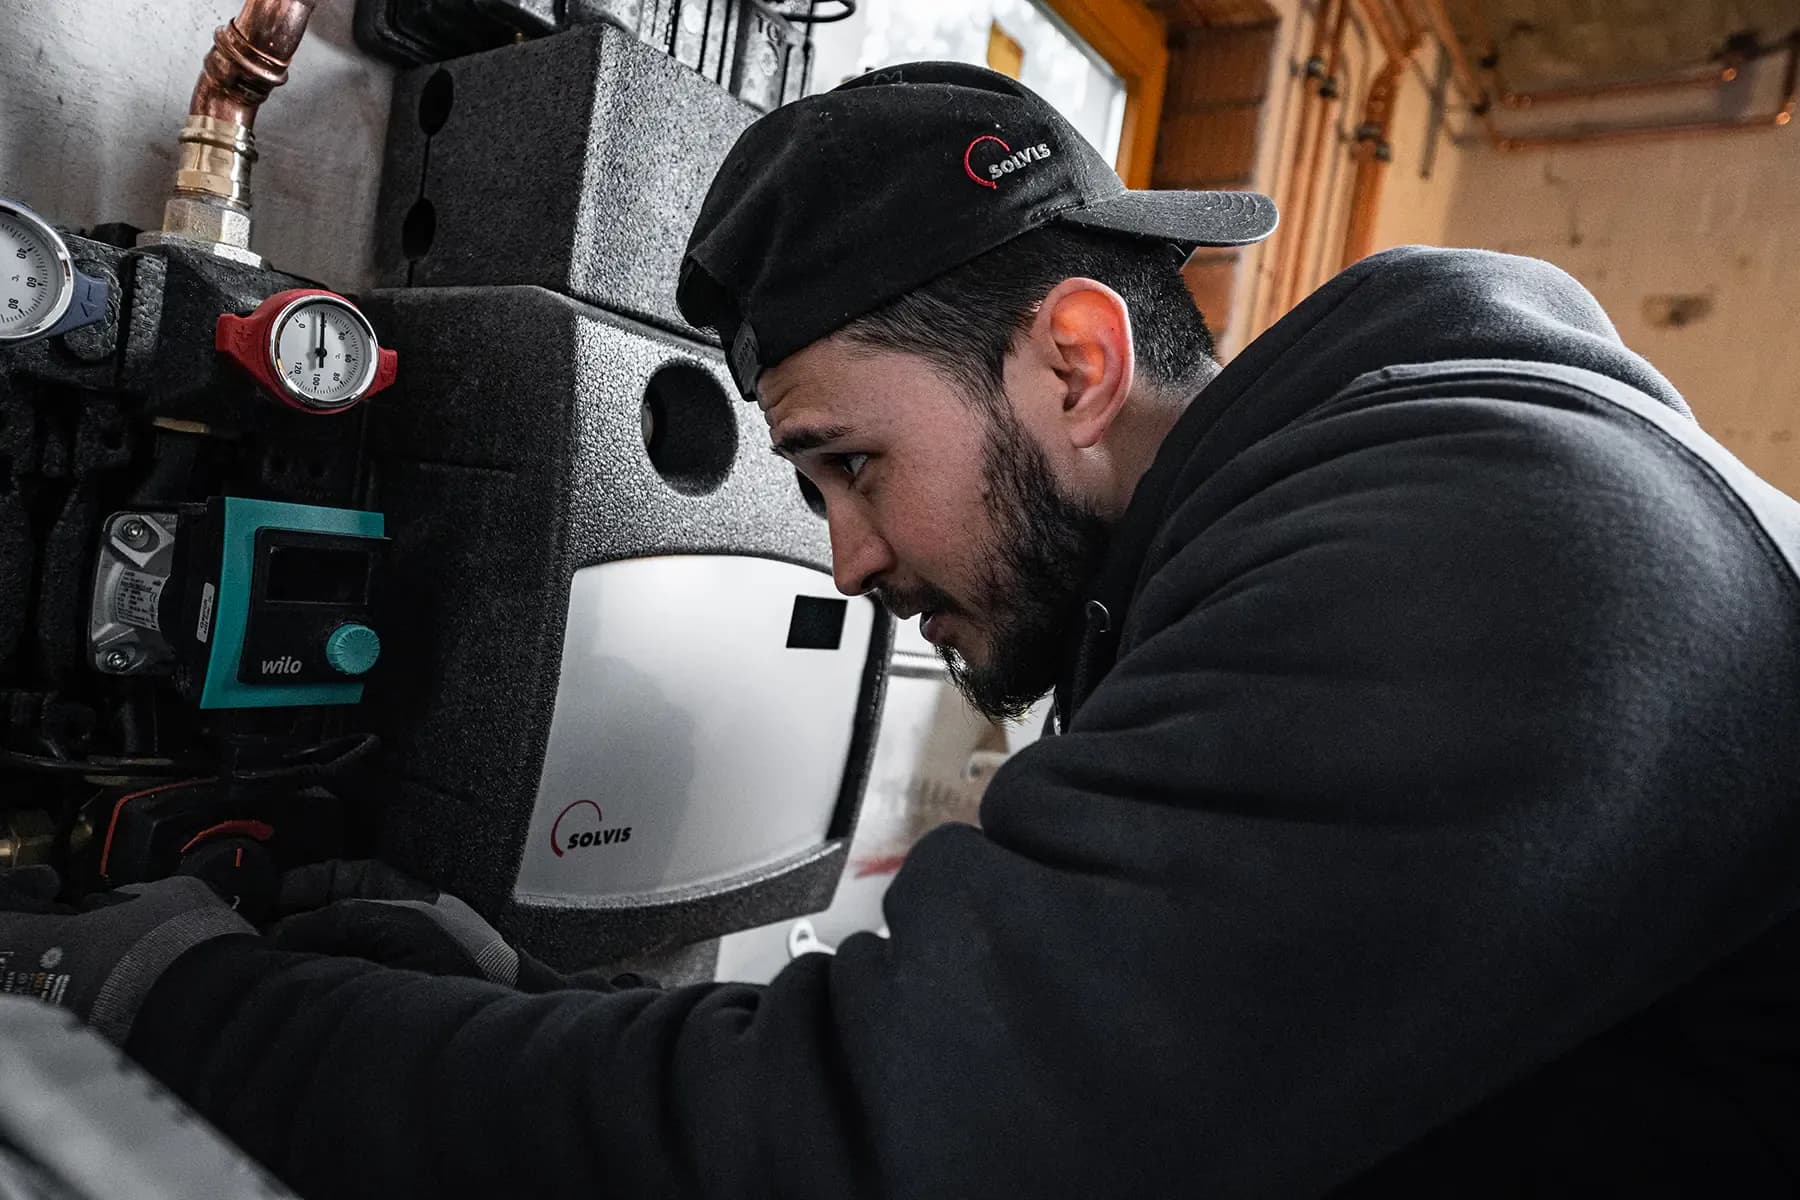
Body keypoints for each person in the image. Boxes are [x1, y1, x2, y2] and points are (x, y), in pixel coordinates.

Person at [4, 61, 1799, 1198]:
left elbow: (855, 1150)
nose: (847, 562)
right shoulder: (1382, 503)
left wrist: (174, 993)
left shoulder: (1472, 556)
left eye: (850, 465)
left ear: (1074, 360)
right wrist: (506, 1013)